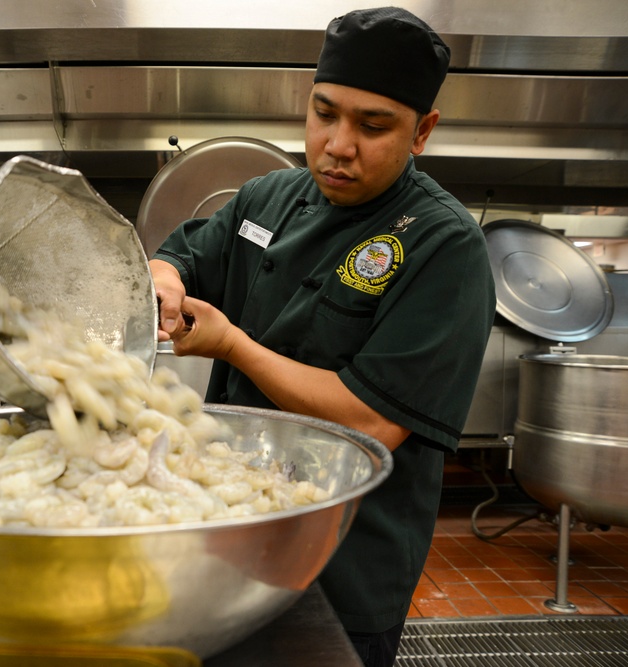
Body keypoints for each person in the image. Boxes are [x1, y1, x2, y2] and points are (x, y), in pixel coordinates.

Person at [149, 6, 496, 666]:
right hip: (226, 535)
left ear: (421, 131)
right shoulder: (268, 198)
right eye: (323, 113)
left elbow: (371, 418)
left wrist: (231, 345)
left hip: (342, 562)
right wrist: (161, 274)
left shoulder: (442, 245)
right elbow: (183, 253)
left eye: (372, 126)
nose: (337, 144)